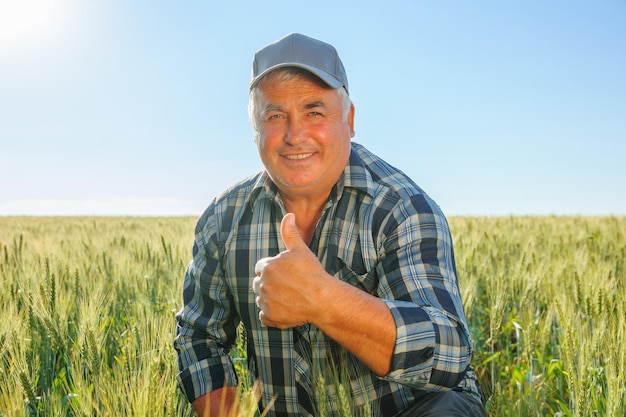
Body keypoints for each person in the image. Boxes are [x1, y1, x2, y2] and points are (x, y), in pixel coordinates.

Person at [174, 32, 487, 417]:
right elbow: (199, 337)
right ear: (255, 127)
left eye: (314, 111)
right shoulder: (224, 219)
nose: (295, 135)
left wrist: (322, 300)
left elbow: (448, 353)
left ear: (350, 120)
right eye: (275, 116)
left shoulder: (401, 207)